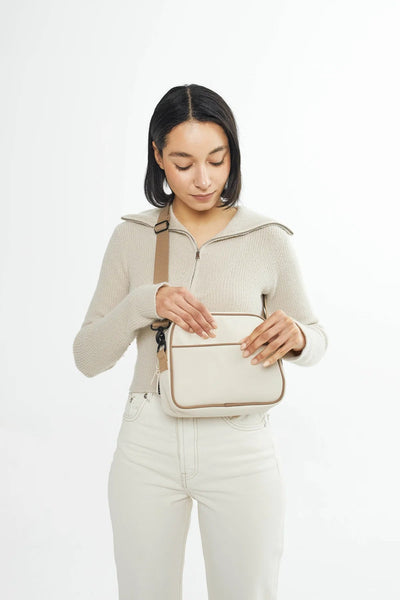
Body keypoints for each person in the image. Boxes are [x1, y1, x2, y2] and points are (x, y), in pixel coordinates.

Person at [73, 83, 328, 600]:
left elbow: (317, 336)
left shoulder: (268, 237)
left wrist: (299, 337)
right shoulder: (131, 236)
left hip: (240, 442)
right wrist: (146, 301)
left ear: (233, 152)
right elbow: (87, 356)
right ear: (157, 157)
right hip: (148, 440)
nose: (204, 179)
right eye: (183, 163)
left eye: (217, 158)